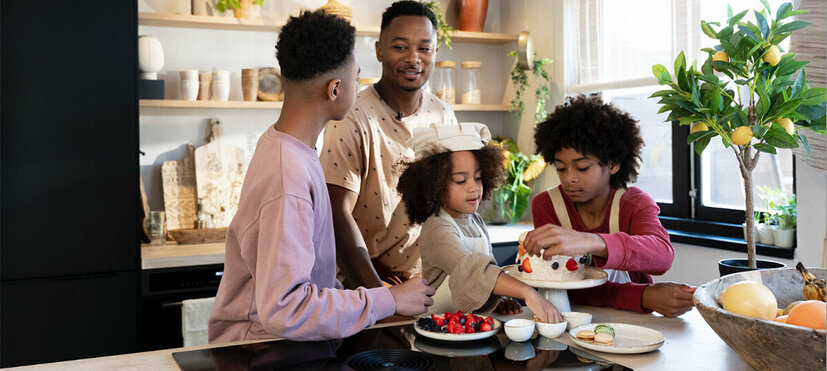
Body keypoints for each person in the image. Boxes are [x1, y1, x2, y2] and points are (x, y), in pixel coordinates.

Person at [208, 10, 435, 343]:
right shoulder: (289, 176)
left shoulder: (286, 146)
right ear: (334, 89)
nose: (359, 89)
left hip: (283, 343)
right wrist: (388, 299)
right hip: (258, 349)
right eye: (357, 79)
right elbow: (286, 309)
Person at [320, 0, 458, 290]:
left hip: (429, 285)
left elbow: (451, 204)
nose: (413, 58)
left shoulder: (443, 114)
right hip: (367, 284)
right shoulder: (351, 117)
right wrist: (381, 295)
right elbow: (335, 215)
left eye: (424, 48)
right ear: (379, 50)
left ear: (435, 52)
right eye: (400, 47)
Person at [522, 95, 695, 318]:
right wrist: (642, 296)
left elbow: (662, 256)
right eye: (561, 168)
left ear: (613, 164)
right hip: (568, 320)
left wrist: (591, 241)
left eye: (582, 168)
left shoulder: (635, 204)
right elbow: (558, 285)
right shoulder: (547, 205)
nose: (569, 179)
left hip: (633, 324)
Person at [396, 122, 562, 323]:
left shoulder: (475, 221)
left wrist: (497, 300)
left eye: (478, 178)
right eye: (460, 180)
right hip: (436, 327)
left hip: (467, 327)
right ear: (434, 186)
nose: (474, 187)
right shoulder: (437, 228)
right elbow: (472, 270)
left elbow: (487, 273)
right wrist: (528, 293)